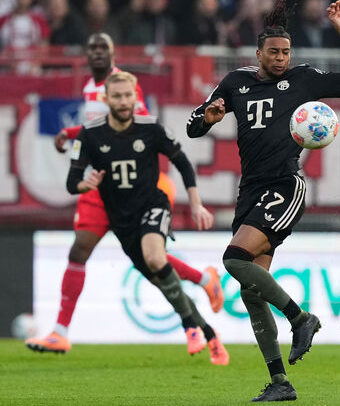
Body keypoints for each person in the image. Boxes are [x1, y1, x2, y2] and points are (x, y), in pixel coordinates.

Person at [186, 0, 340, 402]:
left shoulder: (304, 79)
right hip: (250, 191)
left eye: (285, 52)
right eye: (273, 52)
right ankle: (279, 382)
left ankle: (301, 318)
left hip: (285, 185)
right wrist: (208, 118)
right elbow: (193, 127)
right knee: (251, 292)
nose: (280, 58)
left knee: (233, 259)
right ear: (258, 54)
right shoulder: (235, 83)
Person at [26, 33, 223, 355]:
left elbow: (129, 126)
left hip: (137, 187)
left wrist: (70, 132)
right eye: (92, 48)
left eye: (103, 48)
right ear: (86, 55)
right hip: (103, 186)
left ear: (114, 53)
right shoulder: (92, 87)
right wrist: (74, 137)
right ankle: (59, 332)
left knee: (151, 259)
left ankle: (198, 302)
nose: (98, 53)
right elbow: (98, 131)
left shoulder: (124, 86)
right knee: (82, 250)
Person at [62, 71, 229, 365]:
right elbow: (72, 181)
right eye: (117, 96)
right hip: (121, 221)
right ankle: (208, 332)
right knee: (164, 283)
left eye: (128, 95)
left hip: (153, 205)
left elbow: (182, 162)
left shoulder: (150, 128)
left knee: (155, 258)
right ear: (106, 99)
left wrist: (196, 203)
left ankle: (190, 327)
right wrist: (83, 185)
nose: (123, 101)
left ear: (135, 98)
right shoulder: (90, 134)